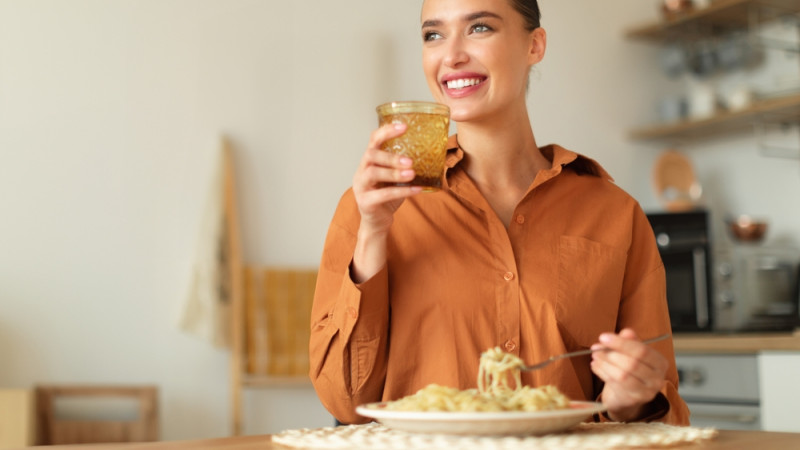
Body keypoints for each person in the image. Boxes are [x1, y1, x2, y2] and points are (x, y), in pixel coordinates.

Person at [309, 0, 690, 426]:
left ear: (534, 45)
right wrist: (373, 232)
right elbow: (345, 400)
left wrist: (631, 401)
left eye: (479, 28)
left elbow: (663, 408)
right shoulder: (372, 206)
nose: (451, 55)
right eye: (433, 35)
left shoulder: (615, 213)